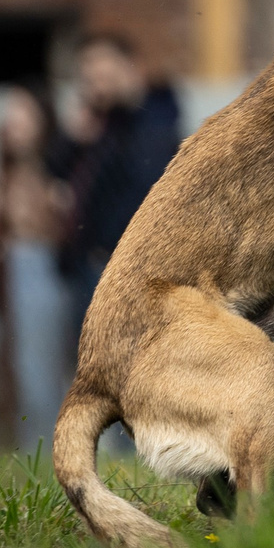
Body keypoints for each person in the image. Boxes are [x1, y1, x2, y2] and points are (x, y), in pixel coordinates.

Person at [0, 82, 75, 448]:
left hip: (38, 275)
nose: (11, 121)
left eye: (22, 113)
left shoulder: (56, 175)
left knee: (38, 375)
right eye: (9, 113)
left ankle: (45, 450)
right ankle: (7, 450)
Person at [59, 31, 181, 327]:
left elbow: (146, 177)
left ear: (128, 67)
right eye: (86, 74)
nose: (92, 82)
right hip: (91, 264)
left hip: (133, 266)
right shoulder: (101, 125)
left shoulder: (154, 113)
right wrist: (74, 138)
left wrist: (130, 98)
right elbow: (56, 170)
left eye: (100, 70)